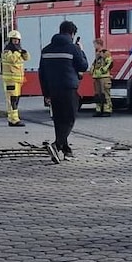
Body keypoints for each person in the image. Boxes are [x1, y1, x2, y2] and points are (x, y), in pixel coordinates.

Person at [38, 21, 88, 159]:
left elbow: (41, 73)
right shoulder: (73, 48)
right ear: (72, 34)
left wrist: (46, 93)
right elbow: (83, 66)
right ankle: (57, 145)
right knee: (69, 119)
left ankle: (66, 149)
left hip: (53, 90)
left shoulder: (46, 50)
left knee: (59, 119)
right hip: (68, 89)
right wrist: (81, 50)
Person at [1, 30, 29, 127]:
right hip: (10, 81)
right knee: (12, 100)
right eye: (14, 40)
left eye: (17, 40)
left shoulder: (18, 50)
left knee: (16, 100)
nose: (16, 41)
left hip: (18, 80)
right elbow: (11, 59)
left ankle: (14, 119)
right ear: (10, 40)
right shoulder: (7, 51)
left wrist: (24, 53)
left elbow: (27, 58)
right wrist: (18, 52)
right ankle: (13, 120)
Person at [90, 39, 113, 117]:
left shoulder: (105, 53)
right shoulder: (97, 54)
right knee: (98, 94)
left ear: (99, 44)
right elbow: (95, 64)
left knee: (105, 94)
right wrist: (92, 70)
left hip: (104, 77)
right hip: (97, 77)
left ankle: (107, 110)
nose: (94, 46)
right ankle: (99, 110)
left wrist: (103, 70)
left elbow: (109, 62)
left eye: (95, 44)